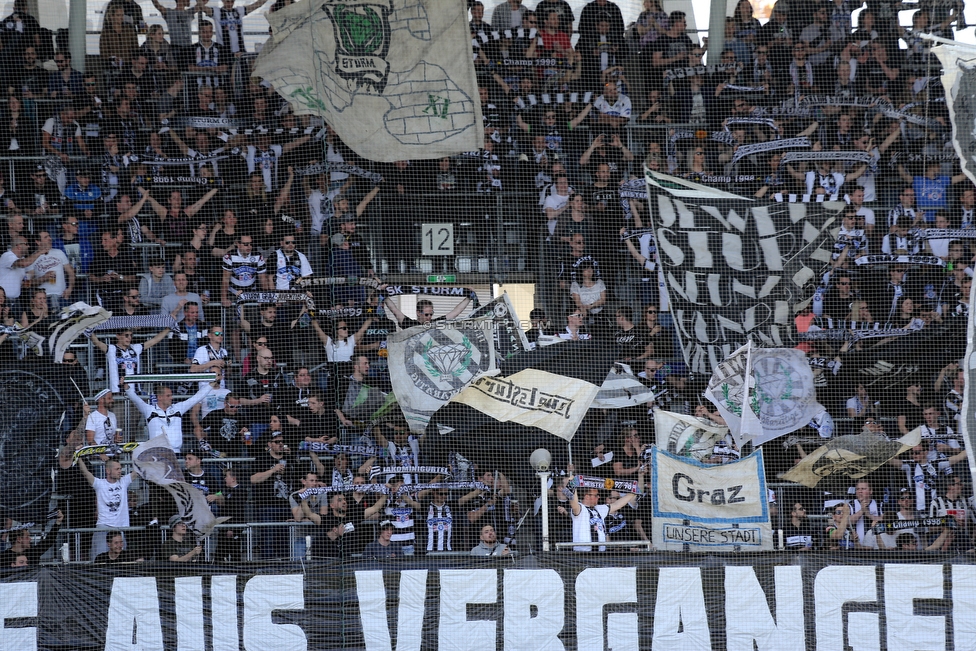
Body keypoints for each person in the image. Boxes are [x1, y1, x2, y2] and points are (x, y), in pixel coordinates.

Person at [124, 375, 217, 453]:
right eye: (168, 396)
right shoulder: (149, 410)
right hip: (158, 454)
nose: (171, 398)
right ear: (159, 397)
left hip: (176, 453)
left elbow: (196, 398)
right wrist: (127, 388)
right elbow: (135, 399)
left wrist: (211, 385)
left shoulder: (178, 408)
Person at [77, 457, 137, 560]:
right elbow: (85, 472)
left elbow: (138, 471)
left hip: (120, 528)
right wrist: (77, 457)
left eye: (120, 468)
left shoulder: (124, 481)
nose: (120, 471)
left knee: (121, 559)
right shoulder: (100, 484)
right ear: (108, 471)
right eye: (117, 469)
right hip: (103, 527)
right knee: (99, 559)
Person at [569, 470, 644, 552]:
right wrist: (572, 485)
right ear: (587, 496)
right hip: (583, 554)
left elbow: (617, 505)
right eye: (596, 495)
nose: (599, 497)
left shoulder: (599, 509)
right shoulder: (580, 508)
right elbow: (573, 502)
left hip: (601, 555)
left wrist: (632, 493)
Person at [382, 294, 477, 329]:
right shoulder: (409, 324)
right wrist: (385, 296)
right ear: (418, 313)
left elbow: (455, 312)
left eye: (431, 314)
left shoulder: (436, 323)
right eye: (426, 314)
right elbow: (395, 310)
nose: (429, 317)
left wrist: (468, 298)